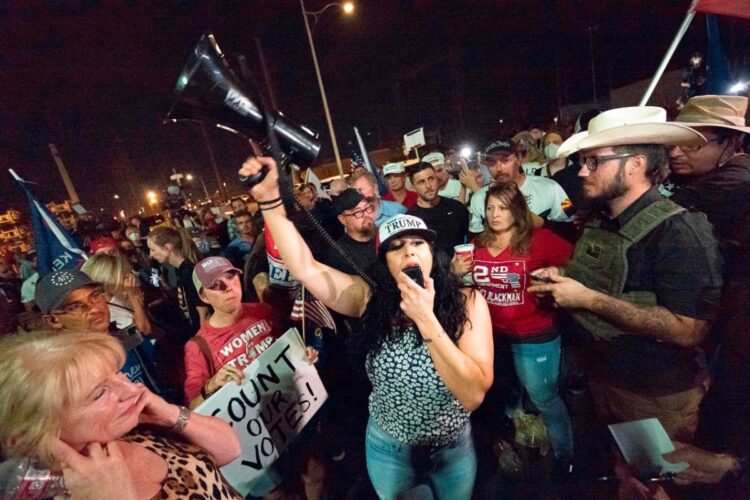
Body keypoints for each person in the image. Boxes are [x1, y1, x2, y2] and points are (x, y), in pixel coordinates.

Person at [240, 155, 493, 499]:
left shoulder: (467, 302)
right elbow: (304, 268)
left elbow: (473, 393)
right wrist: (270, 201)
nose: (409, 253)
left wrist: (426, 319)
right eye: (396, 247)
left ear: (433, 253)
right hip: (390, 450)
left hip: (452, 448)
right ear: (384, 262)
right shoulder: (367, 298)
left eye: (418, 243)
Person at [528, 106, 723, 442]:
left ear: (636, 165)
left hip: (653, 395)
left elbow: (688, 329)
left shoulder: (678, 232)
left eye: (593, 161)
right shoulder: (600, 220)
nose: (582, 172)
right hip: (603, 379)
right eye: (582, 162)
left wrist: (585, 298)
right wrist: (562, 277)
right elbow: (605, 279)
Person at [0, 330, 242, 499]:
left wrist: (170, 414)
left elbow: (231, 449)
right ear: (33, 433)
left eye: (117, 374)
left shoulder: (133, 427)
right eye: (99, 394)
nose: (131, 389)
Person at [455, 181, 574, 463]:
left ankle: (565, 458)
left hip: (533, 334)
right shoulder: (477, 244)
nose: (495, 214)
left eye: (503, 208)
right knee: (504, 396)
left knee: (544, 398)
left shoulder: (539, 239)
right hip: (491, 337)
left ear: (517, 211)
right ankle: (512, 440)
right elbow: (468, 286)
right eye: (490, 208)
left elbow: (579, 265)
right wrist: (456, 272)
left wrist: (557, 272)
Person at [35, 269, 161, 394]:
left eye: (95, 297)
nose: (94, 309)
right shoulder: (65, 376)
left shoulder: (132, 341)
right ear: (53, 321)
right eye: (75, 307)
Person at [469, 137, 572, 234]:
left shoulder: (551, 187)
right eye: (492, 162)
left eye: (505, 160)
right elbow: (476, 237)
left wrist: (542, 223)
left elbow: (570, 224)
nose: (499, 168)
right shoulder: (478, 198)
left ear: (519, 158)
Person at [147, 226, 208, 339]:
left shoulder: (190, 271)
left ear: (167, 247)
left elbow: (203, 312)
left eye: (153, 249)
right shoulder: (178, 270)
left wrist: (202, 340)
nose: (151, 255)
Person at [406, 161, 470, 257]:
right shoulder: (409, 219)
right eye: (421, 182)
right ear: (413, 188)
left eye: (431, 179)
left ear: (437, 179)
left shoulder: (456, 208)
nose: (428, 186)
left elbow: (468, 239)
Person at [81, 253, 152, 335]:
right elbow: (143, 330)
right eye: (124, 275)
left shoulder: (116, 295)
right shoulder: (104, 309)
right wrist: (134, 298)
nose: (130, 278)